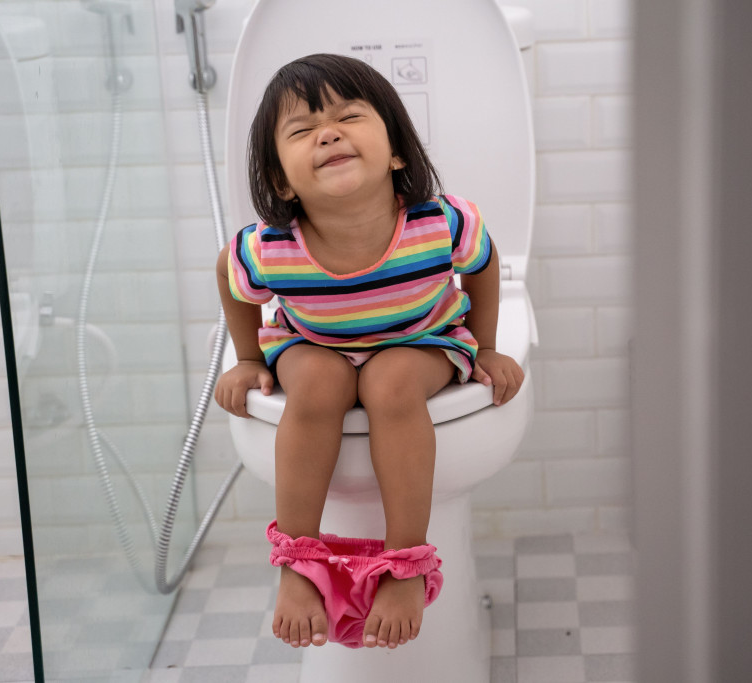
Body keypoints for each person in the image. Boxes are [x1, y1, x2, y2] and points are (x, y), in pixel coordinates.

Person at [214, 53, 524, 651]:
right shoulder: (269, 248)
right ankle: (298, 564)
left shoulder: (441, 224)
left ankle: (405, 563)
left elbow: (486, 267)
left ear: (397, 151)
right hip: (314, 341)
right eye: (301, 131)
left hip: (421, 336)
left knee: (390, 384)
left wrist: (486, 345)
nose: (327, 132)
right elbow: (228, 276)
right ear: (281, 180)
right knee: (319, 387)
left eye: (348, 117)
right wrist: (248, 356)